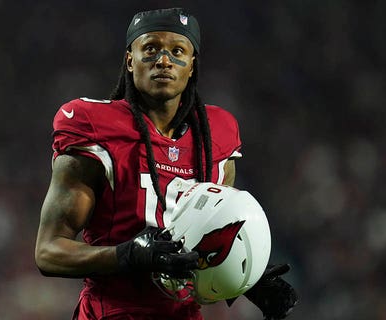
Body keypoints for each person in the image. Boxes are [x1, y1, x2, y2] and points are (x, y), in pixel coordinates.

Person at [35, 7, 297, 320]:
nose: (163, 60)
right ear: (130, 60)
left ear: (192, 65)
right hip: (112, 311)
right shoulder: (94, 125)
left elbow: (207, 240)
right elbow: (48, 252)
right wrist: (127, 255)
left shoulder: (217, 134)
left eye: (177, 51)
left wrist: (248, 280)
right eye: (150, 49)